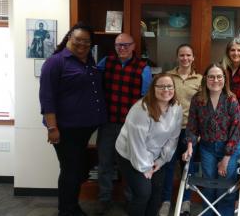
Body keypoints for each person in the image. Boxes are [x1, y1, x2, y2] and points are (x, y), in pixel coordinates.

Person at [39, 22, 107, 216]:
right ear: (69, 38)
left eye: (87, 41)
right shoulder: (56, 62)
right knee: (71, 171)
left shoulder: (89, 61)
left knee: (78, 169)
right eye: (78, 39)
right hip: (66, 128)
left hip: (85, 128)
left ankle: (72, 206)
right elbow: (47, 97)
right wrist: (52, 128)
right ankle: (67, 211)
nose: (82, 44)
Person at [95, 33, 152, 214]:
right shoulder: (106, 62)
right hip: (108, 123)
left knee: (129, 165)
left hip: (131, 127)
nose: (122, 48)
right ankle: (104, 199)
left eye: (126, 45)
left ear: (134, 46)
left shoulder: (144, 67)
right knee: (105, 163)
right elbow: (94, 84)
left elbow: (145, 98)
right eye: (119, 45)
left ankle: (130, 199)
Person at [115, 73, 182, 216]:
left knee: (156, 192)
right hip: (130, 154)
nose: (166, 90)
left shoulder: (176, 107)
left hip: (155, 155)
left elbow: (173, 137)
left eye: (169, 86)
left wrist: (161, 160)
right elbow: (136, 143)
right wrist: (145, 167)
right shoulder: (141, 109)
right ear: (153, 88)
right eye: (161, 86)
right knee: (143, 193)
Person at [182, 63, 240, 216]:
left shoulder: (231, 100)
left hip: (230, 147)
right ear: (205, 79)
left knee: (226, 186)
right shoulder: (198, 99)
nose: (215, 80)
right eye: (211, 77)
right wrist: (190, 146)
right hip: (207, 148)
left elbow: (235, 132)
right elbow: (192, 125)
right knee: (209, 186)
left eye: (219, 76)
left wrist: (226, 159)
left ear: (224, 79)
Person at [159, 44, 202, 216]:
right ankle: (166, 201)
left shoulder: (200, 79)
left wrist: (198, 132)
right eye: (182, 55)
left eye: (188, 55)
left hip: (190, 130)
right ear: (177, 57)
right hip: (169, 130)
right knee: (168, 166)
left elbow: (202, 107)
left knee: (188, 167)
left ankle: (185, 202)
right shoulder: (168, 76)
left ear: (193, 58)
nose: (185, 58)